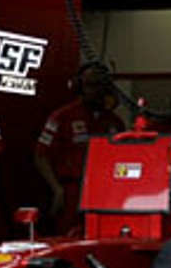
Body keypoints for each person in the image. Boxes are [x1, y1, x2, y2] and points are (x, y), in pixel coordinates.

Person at [32, 60, 125, 235]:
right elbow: (40, 155)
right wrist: (57, 189)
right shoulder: (62, 117)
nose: (96, 90)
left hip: (104, 192)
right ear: (80, 87)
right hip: (71, 191)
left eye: (100, 85)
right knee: (68, 237)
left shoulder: (114, 122)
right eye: (90, 85)